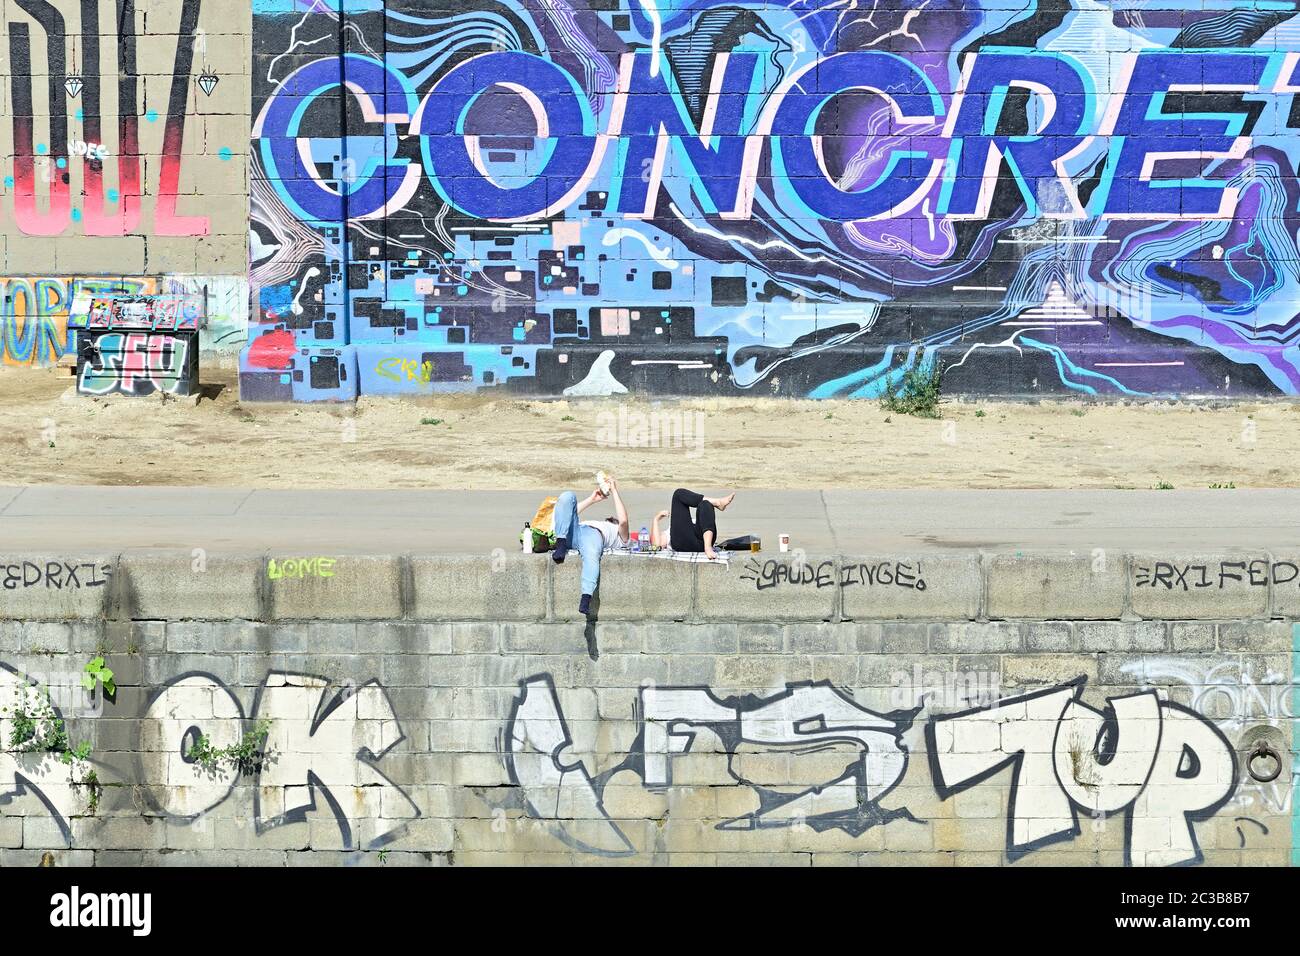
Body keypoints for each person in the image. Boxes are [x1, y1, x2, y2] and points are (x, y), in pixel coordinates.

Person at [551, 477, 630, 615]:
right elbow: (567, 513)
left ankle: (586, 596)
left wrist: (614, 490)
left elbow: (623, 520)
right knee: (567, 496)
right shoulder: (596, 522)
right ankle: (561, 543)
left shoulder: (621, 536)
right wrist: (591, 500)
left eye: (612, 519)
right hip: (576, 531)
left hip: (593, 536)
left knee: (591, 555)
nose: (610, 518)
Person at [649, 489, 735, 560]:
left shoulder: (679, 527)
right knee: (678, 495)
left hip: (703, 541)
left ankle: (707, 546)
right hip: (684, 544)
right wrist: (656, 519)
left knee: (705, 504)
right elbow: (656, 546)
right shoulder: (666, 535)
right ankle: (717, 502)